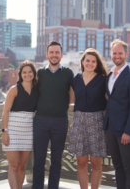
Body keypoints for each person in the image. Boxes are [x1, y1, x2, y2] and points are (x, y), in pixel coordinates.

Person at [33, 41, 74, 189]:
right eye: (51, 52)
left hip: (61, 121)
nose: (54, 55)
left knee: (56, 161)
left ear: (61, 55)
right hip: (40, 121)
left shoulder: (69, 73)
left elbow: (76, 93)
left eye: (57, 53)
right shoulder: (40, 73)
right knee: (39, 160)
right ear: (47, 54)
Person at [103, 39, 130, 189]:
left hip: (126, 131)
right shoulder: (110, 75)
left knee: (129, 167)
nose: (117, 56)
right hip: (110, 129)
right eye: (114, 53)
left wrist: (128, 131)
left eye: (120, 53)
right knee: (118, 166)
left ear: (126, 54)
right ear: (111, 54)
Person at [69, 48, 108, 189]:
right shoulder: (75, 79)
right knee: (81, 162)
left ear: (97, 63)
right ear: (82, 62)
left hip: (96, 121)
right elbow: (70, 100)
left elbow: (111, 101)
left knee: (96, 163)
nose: (90, 64)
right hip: (79, 121)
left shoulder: (103, 80)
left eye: (93, 61)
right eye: (88, 61)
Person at [2, 60, 39, 189]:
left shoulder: (37, 90)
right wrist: (4, 132)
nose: (27, 74)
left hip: (28, 131)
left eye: (30, 72)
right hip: (12, 131)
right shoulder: (14, 89)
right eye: (24, 72)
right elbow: (5, 111)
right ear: (20, 74)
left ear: (34, 73)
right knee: (14, 165)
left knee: (22, 166)